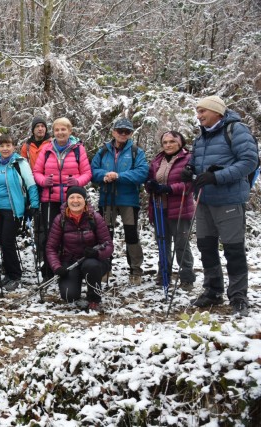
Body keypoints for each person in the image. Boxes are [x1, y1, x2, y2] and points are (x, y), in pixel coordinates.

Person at [183, 96, 257, 317]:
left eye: (202, 111)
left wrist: (217, 177)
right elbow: (197, 163)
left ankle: (238, 296)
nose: (199, 115)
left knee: (233, 250)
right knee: (206, 248)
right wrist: (189, 169)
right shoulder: (201, 138)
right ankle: (213, 290)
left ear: (217, 112)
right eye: (197, 111)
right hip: (204, 201)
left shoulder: (236, 130)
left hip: (229, 200)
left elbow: (249, 162)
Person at [90, 117, 148, 285]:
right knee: (106, 235)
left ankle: (135, 270)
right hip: (107, 198)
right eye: (120, 131)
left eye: (127, 131)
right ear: (113, 131)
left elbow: (142, 172)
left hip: (128, 199)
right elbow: (93, 171)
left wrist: (119, 176)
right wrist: (104, 175)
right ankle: (105, 268)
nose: (123, 134)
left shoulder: (137, 152)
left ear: (130, 134)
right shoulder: (103, 151)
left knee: (131, 235)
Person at [32, 117, 92, 278]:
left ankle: (69, 267)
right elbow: (36, 172)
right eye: (57, 130)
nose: (60, 132)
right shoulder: (46, 149)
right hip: (49, 199)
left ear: (70, 131)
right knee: (50, 235)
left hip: (72, 200)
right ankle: (49, 268)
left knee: (70, 234)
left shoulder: (78, 149)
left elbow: (87, 173)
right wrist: (43, 181)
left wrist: (77, 182)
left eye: (63, 129)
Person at [46, 186, 113, 311]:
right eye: (72, 197)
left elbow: (109, 245)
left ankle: (94, 298)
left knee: (91, 265)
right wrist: (57, 267)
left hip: (93, 261)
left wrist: (97, 253)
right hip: (70, 262)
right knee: (68, 295)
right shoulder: (60, 219)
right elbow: (51, 248)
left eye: (79, 197)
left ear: (85, 200)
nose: (75, 201)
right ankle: (75, 289)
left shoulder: (95, 217)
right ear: (67, 200)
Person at [144, 131, 195, 292]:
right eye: (165, 142)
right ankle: (164, 273)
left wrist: (168, 189)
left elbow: (190, 185)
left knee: (181, 244)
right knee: (162, 243)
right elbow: (150, 181)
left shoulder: (188, 159)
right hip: (159, 208)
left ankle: (186, 276)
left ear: (180, 143)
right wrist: (150, 185)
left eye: (172, 141)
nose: (168, 145)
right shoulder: (157, 160)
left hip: (180, 209)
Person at [0, 133, 40, 291]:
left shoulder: (20, 163)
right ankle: (8, 273)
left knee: (8, 242)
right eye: (2, 146)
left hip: (14, 209)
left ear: (13, 147)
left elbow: (31, 184)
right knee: (3, 243)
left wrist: (34, 204)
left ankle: (15, 275)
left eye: (8, 145)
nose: (5, 148)